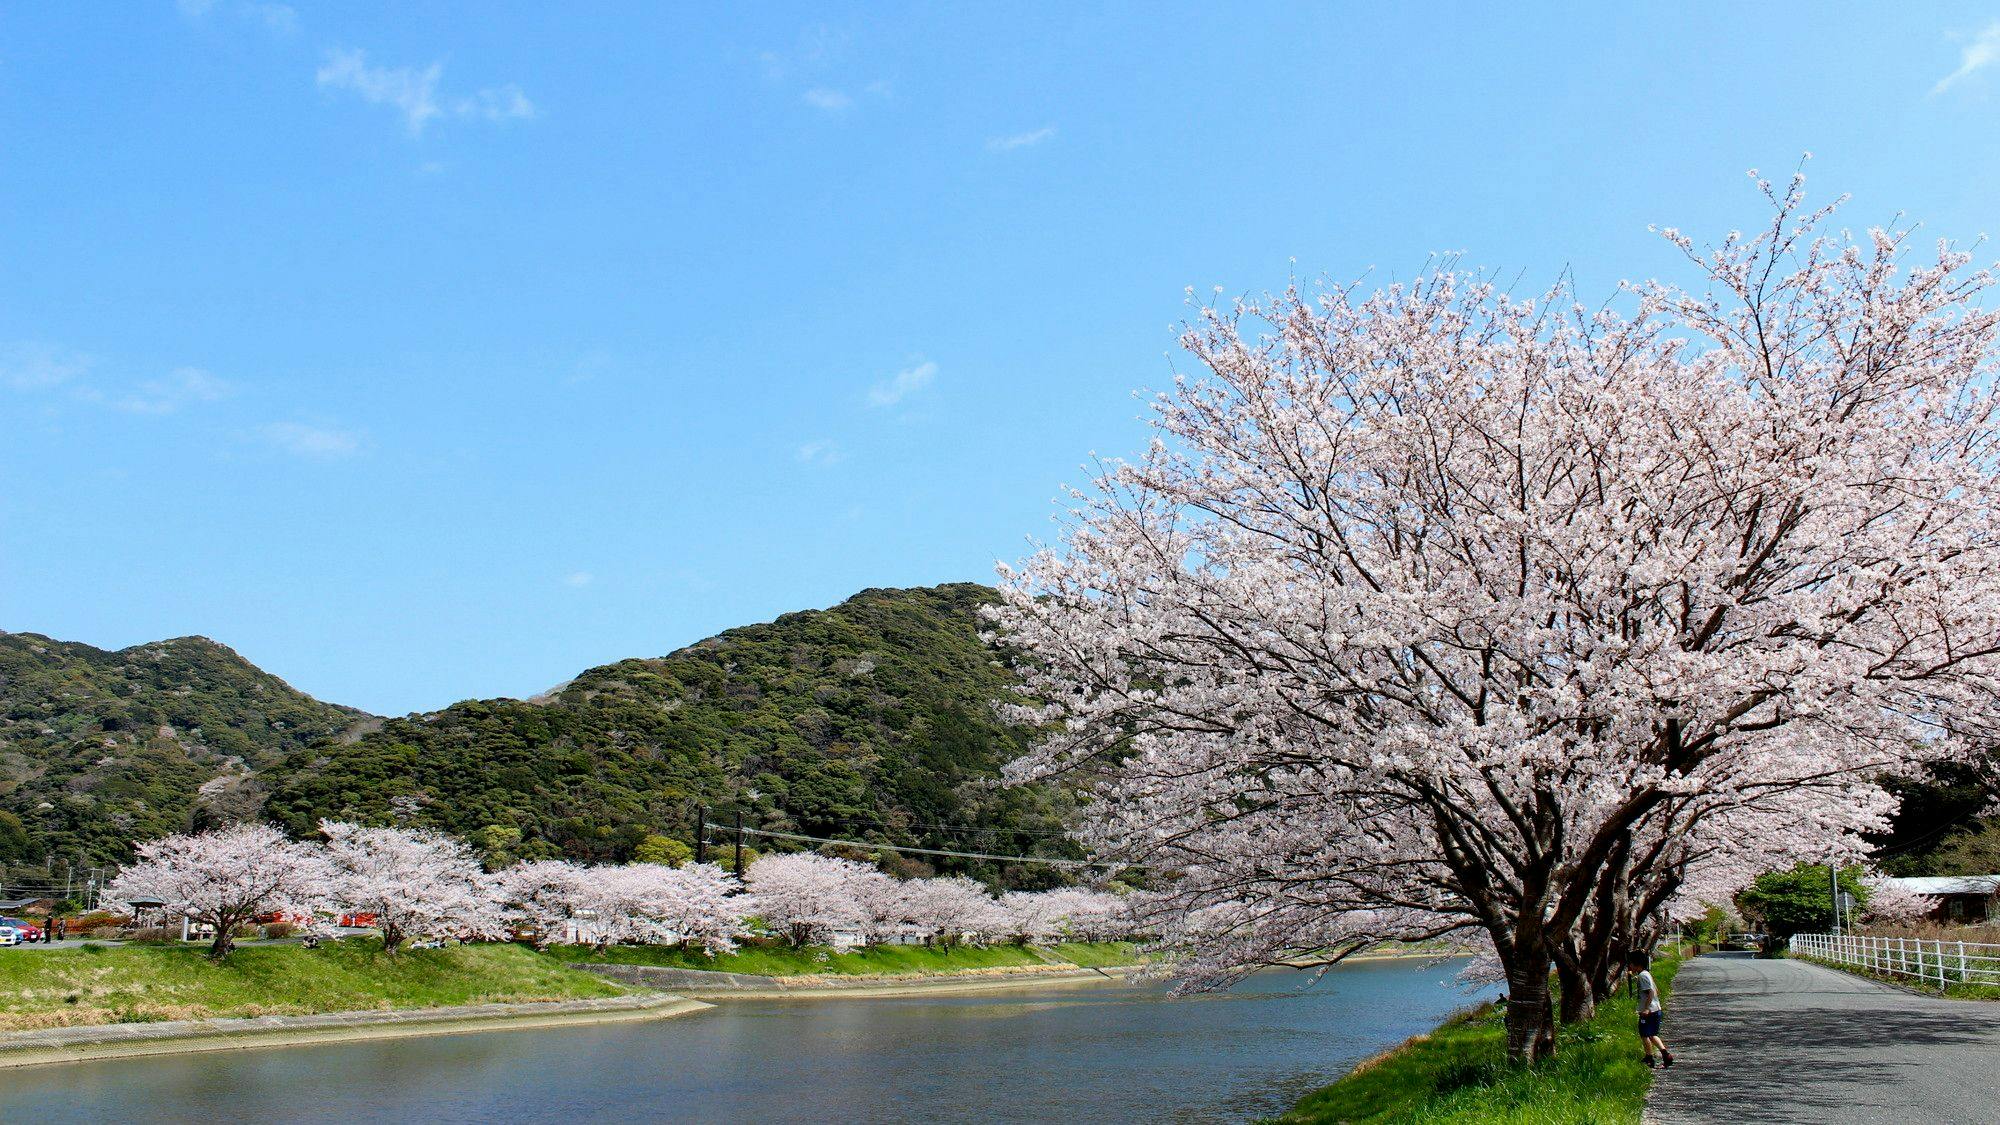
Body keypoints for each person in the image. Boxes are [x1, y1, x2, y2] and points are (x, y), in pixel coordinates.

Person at [1628, 951, 1674, 1068]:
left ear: (1637, 964)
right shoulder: (1647, 974)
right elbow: (1656, 990)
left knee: (1644, 1034)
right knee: (1652, 1034)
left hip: (1650, 1011)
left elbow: (1651, 992)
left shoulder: (1642, 976)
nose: (1630, 967)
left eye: (1631, 964)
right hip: (1656, 1009)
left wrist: (1646, 1008)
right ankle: (1666, 1055)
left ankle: (1649, 1057)